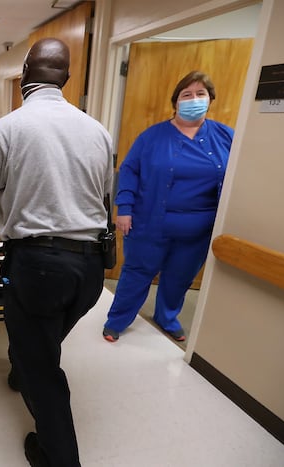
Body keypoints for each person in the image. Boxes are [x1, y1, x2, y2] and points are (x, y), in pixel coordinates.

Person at [0, 38, 114, 467]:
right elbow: (105, 200)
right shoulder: (98, 131)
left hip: (39, 266)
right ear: (66, 78)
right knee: (40, 341)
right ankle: (20, 366)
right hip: (89, 271)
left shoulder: (6, 129)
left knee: (44, 368)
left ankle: (58, 456)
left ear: (25, 72)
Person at [102, 71, 234, 343]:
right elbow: (129, 171)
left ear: (211, 99)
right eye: (187, 95)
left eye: (201, 94)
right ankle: (117, 320)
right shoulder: (152, 136)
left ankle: (167, 317)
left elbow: (239, 176)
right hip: (150, 223)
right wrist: (123, 208)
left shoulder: (225, 136)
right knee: (137, 274)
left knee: (179, 279)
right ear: (176, 102)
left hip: (198, 229)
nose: (194, 100)